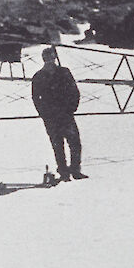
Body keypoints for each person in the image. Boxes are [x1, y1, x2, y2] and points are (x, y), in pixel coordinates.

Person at [31, 46, 88, 182]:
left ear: (54, 58)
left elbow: (74, 91)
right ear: (44, 59)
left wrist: (72, 108)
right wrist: (44, 114)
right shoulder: (39, 76)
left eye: (51, 58)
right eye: (48, 58)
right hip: (51, 116)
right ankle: (64, 172)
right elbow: (35, 98)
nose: (50, 61)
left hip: (65, 114)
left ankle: (75, 170)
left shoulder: (64, 72)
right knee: (58, 145)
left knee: (74, 143)